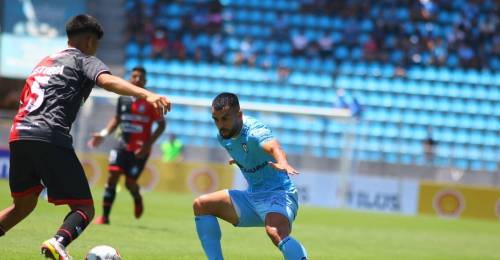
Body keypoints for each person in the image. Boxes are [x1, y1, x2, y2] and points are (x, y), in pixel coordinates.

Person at [0, 14, 171, 260]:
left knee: (22, 206)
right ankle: (58, 243)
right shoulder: (83, 60)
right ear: (90, 41)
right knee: (84, 208)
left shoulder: (44, 63)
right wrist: (146, 94)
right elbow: (108, 81)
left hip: (19, 135)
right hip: (49, 134)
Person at [193, 93, 308, 260]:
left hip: (279, 194)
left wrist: (282, 161)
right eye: (216, 119)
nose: (220, 125)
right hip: (252, 198)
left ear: (239, 115)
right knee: (202, 205)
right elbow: (246, 151)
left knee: (274, 231)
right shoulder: (223, 136)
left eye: (225, 118)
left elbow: (273, 146)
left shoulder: (255, 130)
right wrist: (240, 158)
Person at [87, 66, 166, 225]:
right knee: (112, 177)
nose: (137, 79)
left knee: (130, 183)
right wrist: (103, 134)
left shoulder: (151, 102)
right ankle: (105, 217)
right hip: (121, 145)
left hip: (140, 150)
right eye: (134, 76)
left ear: (145, 81)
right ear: (130, 78)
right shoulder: (123, 98)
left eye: (140, 77)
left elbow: (161, 125)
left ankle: (137, 197)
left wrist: (147, 145)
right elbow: (117, 119)